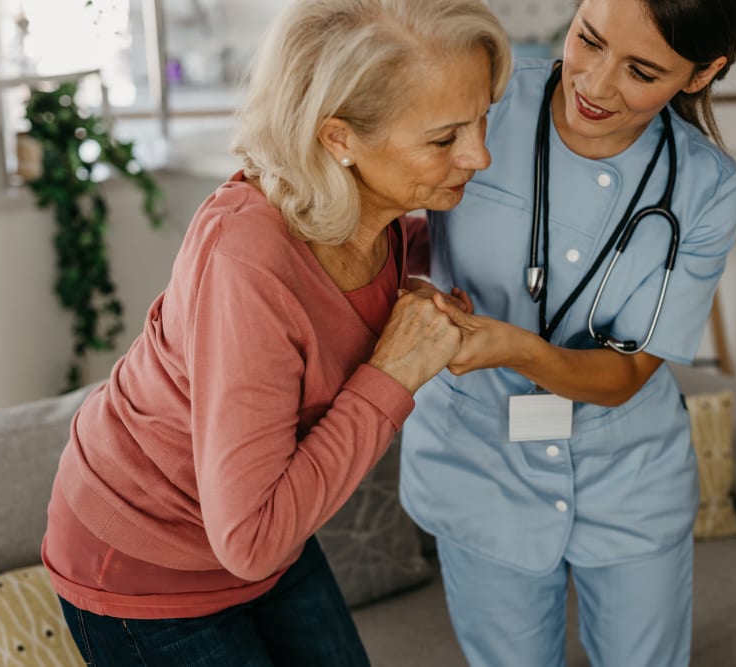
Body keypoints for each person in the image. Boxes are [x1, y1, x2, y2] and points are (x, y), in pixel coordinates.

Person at [40, 0, 511, 664]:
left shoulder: (384, 225)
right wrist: (394, 372)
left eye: (482, 117)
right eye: (445, 138)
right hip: (144, 561)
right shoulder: (248, 259)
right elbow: (252, 537)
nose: (480, 154)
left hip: (262, 528)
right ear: (339, 138)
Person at [399, 0, 736, 665]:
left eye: (641, 71)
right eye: (587, 40)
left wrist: (513, 347)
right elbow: (381, 211)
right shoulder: (483, 105)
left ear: (702, 74)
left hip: (630, 473)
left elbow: (626, 373)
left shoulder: (707, 188)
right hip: (480, 463)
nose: (593, 83)